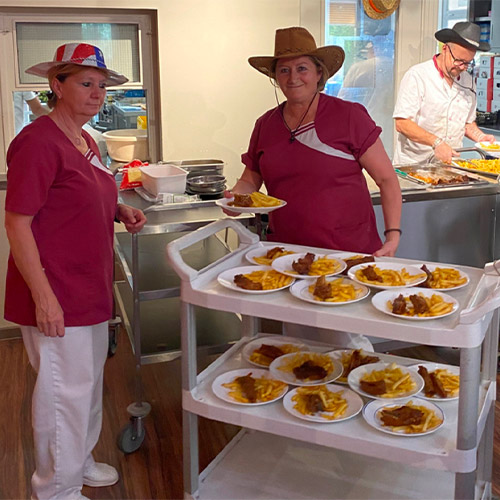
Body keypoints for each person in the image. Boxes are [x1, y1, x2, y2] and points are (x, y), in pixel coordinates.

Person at [4, 42, 147, 500]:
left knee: (85, 384)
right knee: (61, 392)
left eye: (101, 85)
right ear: (56, 85)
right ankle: (55, 490)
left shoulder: (85, 139)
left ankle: (79, 463)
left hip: (87, 283)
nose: (96, 93)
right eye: (85, 83)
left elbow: (76, 198)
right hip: (56, 288)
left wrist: (118, 208)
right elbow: (18, 223)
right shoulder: (37, 141)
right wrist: (44, 298)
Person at [226, 27, 402, 349]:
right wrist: (234, 198)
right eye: (284, 69)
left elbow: (387, 179)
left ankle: (359, 397)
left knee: (345, 339)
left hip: (346, 251)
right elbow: (251, 179)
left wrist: (393, 235)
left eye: (302, 68)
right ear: (275, 77)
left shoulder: (349, 116)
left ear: (319, 73)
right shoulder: (265, 124)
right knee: (299, 340)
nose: (293, 77)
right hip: (288, 255)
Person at [393, 22, 495, 165]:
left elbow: (466, 123)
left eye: (468, 63)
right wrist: (436, 142)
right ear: (445, 48)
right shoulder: (418, 76)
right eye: (459, 60)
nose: (463, 68)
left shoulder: (468, 82)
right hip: (414, 165)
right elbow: (402, 123)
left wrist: (480, 137)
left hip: (450, 165)